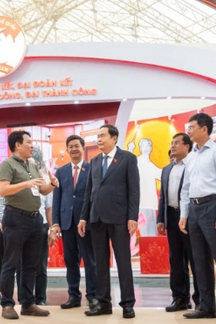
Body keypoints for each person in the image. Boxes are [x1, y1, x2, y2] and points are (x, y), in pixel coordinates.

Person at [179, 113, 216, 323]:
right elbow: (186, 189)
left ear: (204, 129)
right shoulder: (191, 156)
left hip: (213, 207)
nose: (188, 131)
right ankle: (206, 306)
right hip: (194, 210)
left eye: (192, 127)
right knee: (199, 261)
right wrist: (184, 214)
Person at [78, 124, 140, 319]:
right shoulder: (94, 161)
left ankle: (128, 304)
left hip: (119, 218)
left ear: (114, 138)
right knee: (100, 263)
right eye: (98, 136)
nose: (99, 139)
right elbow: (90, 191)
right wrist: (83, 217)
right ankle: (103, 303)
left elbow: (133, 190)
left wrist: (132, 217)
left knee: (123, 262)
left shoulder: (127, 158)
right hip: (96, 218)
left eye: (102, 135)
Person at [0, 130, 56, 319]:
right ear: (17, 145)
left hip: (35, 219)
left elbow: (42, 191)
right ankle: (7, 304)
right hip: (15, 218)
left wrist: (52, 184)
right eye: (29, 142)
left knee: (31, 264)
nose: (32, 146)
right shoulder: (7, 164)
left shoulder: (31, 163)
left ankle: (28, 303)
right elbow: (3, 190)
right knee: (10, 263)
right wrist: (25, 184)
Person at [51, 135, 98, 311]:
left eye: (76, 146)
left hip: (86, 223)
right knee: (70, 261)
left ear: (83, 147)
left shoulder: (92, 168)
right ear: (67, 149)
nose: (73, 149)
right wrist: (55, 222)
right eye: (70, 146)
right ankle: (73, 296)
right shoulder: (60, 171)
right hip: (66, 222)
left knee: (90, 260)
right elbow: (57, 199)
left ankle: (92, 296)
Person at [157, 133, 198, 312]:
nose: (173, 146)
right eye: (171, 143)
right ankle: (180, 298)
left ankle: (201, 299)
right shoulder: (167, 169)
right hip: (172, 217)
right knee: (176, 260)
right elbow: (163, 197)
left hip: (191, 217)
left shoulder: (194, 165)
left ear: (187, 146)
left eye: (176, 143)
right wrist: (160, 219)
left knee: (196, 259)